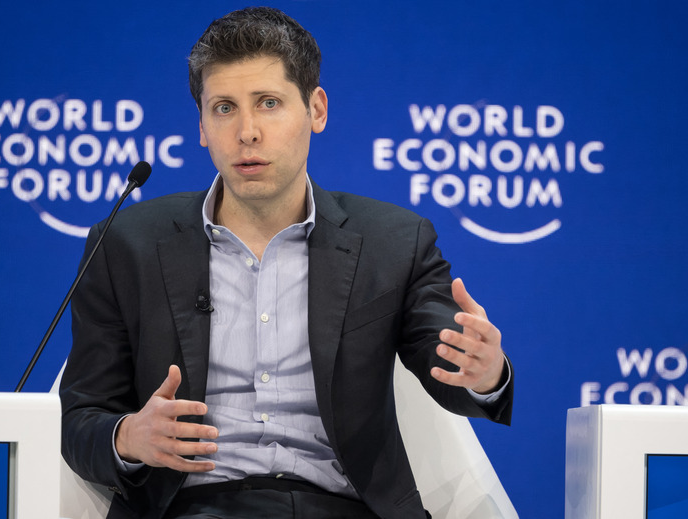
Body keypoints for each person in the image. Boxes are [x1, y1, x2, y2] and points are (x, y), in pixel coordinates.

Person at [60, 7, 513, 519]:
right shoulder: (126, 244)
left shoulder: (393, 242)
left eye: (269, 103)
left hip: (346, 508)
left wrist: (484, 372)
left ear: (316, 109)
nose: (246, 132)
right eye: (224, 108)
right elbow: (79, 419)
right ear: (202, 125)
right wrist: (128, 437)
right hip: (190, 508)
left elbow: (447, 364)